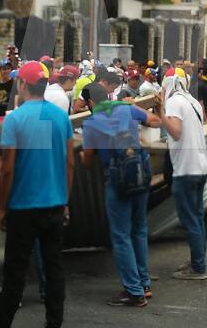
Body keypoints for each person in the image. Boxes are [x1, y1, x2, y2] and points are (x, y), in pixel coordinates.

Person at [0, 62, 73, 328]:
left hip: (22, 207)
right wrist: (65, 200)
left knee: (15, 273)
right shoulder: (62, 117)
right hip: (53, 204)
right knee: (54, 269)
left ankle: (2, 324)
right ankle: (54, 323)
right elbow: (69, 163)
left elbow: (7, 169)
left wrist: (1, 208)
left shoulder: (14, 119)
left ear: (23, 84)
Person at [80, 84, 160, 306]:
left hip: (118, 182)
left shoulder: (91, 123)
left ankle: (134, 292)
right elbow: (154, 121)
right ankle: (144, 284)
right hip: (141, 174)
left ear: (90, 103)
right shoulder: (126, 109)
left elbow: (87, 161)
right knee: (139, 230)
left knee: (121, 236)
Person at [161, 73, 207, 280]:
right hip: (200, 167)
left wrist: (161, 112)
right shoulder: (192, 102)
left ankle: (198, 268)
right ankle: (198, 259)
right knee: (197, 217)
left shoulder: (173, 102)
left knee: (189, 218)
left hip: (186, 169)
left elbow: (176, 132)